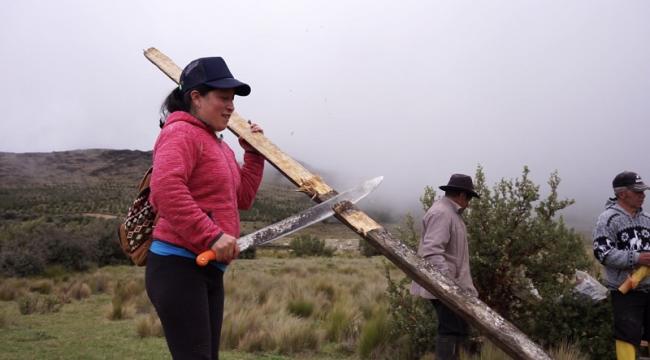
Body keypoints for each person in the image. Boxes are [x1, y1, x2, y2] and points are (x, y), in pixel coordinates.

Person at [145, 56, 265, 359]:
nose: (231, 106)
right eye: (223, 98)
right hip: (178, 267)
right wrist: (211, 236)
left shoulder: (218, 145)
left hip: (209, 267)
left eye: (233, 100)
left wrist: (254, 154)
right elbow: (166, 190)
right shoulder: (180, 133)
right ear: (196, 98)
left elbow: (243, 199)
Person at [410, 173, 480, 360]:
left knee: (457, 329)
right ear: (462, 195)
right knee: (450, 329)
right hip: (446, 286)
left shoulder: (449, 213)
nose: (469, 203)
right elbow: (432, 252)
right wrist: (448, 285)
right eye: (470, 198)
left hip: (451, 286)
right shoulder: (442, 213)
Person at [593, 171, 650, 360]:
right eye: (638, 192)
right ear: (622, 193)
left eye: (643, 191)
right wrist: (636, 258)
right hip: (625, 291)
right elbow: (603, 252)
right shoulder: (607, 219)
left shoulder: (648, 219)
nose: (643, 195)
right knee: (627, 336)